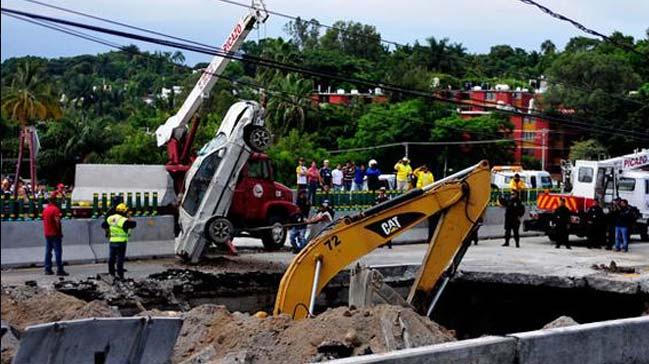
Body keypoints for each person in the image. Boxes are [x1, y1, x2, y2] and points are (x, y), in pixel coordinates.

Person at [102, 203, 137, 279]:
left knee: (112, 258)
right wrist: (129, 217)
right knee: (120, 259)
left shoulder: (110, 218)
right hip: (121, 242)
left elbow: (103, 225)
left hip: (112, 241)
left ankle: (111, 274)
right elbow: (133, 224)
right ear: (124, 211)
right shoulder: (122, 219)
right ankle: (120, 275)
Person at [42, 194, 68, 276]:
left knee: (48, 252)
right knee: (58, 252)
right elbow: (57, 221)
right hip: (55, 234)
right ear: (55, 200)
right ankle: (59, 270)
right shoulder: (56, 209)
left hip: (47, 233)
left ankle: (47, 269)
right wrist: (59, 231)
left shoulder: (45, 210)